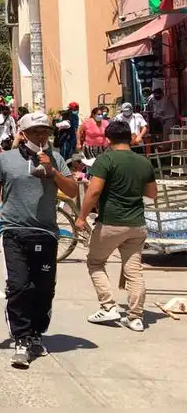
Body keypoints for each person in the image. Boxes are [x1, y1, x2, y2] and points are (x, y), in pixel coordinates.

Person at [0, 111, 78, 369]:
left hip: (46, 232)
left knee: (43, 289)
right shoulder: (5, 160)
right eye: (35, 132)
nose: (41, 136)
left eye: (44, 131)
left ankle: (36, 333)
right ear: (23, 134)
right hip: (13, 230)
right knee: (20, 286)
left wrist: (52, 171)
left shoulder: (55, 158)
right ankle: (21, 338)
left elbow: (72, 191)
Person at [77, 121, 157, 333]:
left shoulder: (105, 160)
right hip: (137, 224)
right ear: (131, 137)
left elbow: (93, 192)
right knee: (134, 271)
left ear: (107, 139)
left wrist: (82, 216)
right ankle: (136, 317)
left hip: (111, 222)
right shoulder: (144, 162)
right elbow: (152, 194)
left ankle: (108, 306)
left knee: (95, 262)